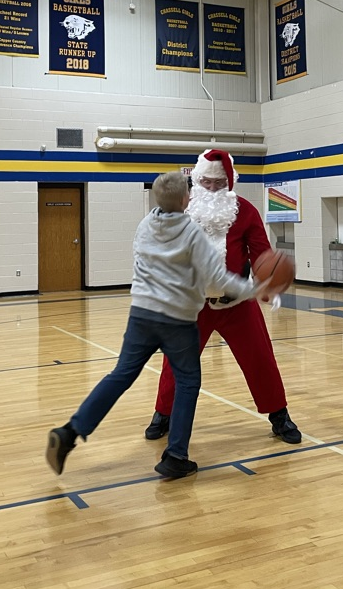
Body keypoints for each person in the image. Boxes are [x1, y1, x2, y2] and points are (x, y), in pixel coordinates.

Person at [45, 171, 263, 481]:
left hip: (142, 314)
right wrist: (254, 289)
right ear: (186, 200)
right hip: (176, 320)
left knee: (120, 375)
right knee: (188, 383)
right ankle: (176, 455)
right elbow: (217, 281)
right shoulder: (192, 233)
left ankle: (69, 432)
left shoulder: (145, 224)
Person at [144, 149, 302, 445]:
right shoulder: (178, 211)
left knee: (260, 358)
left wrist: (267, 284)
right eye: (206, 182)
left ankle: (279, 415)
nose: (212, 189)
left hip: (237, 302)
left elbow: (261, 253)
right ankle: (163, 413)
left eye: (219, 184)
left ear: (230, 182)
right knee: (175, 362)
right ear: (196, 179)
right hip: (192, 304)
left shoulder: (246, 211)